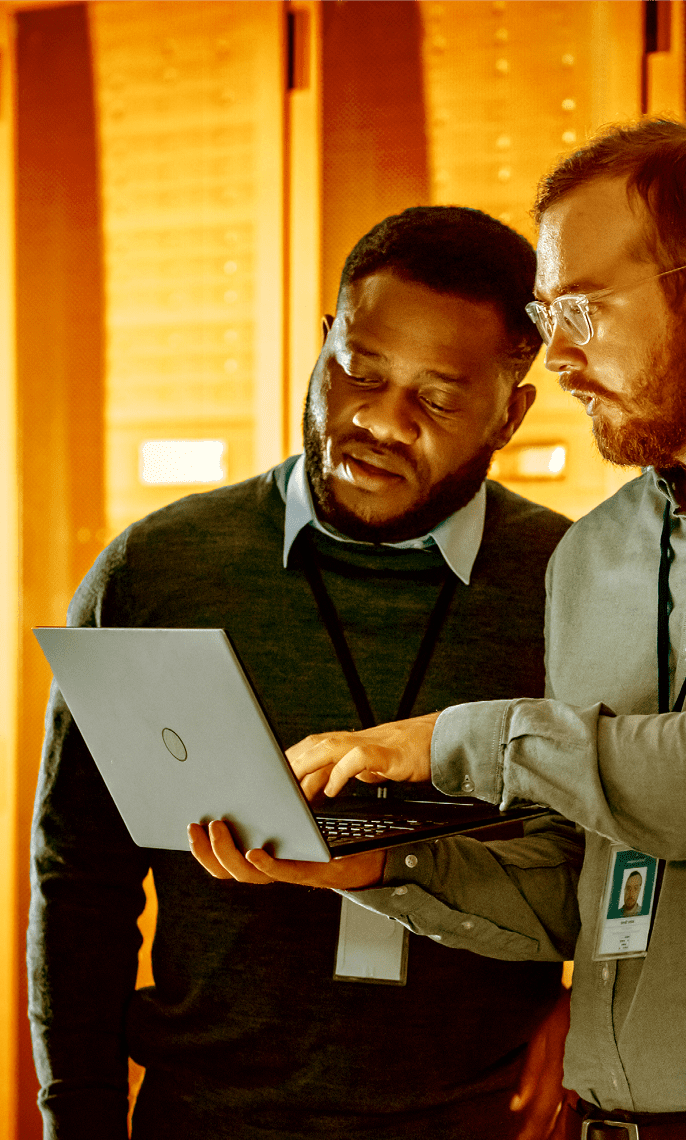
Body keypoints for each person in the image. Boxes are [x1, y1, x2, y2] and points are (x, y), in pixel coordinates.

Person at [28, 206, 579, 1140]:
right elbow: (81, 879)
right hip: (208, 1116)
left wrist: (590, 1017)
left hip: (481, 1118)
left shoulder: (571, 584)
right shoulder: (162, 570)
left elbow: (621, 859)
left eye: (438, 399)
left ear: (511, 410)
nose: (377, 421)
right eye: (358, 371)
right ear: (323, 342)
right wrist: (76, 1117)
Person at [199, 120, 686, 1136]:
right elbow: (582, 891)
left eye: (584, 309)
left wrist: (442, 742)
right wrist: (379, 868)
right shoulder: (596, 558)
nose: (553, 354)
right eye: (550, 314)